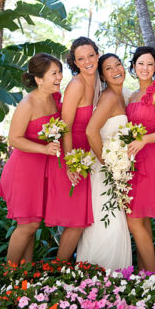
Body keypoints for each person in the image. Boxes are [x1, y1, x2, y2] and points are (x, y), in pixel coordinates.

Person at [0, 53, 63, 265]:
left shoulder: (54, 99)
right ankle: (5, 276)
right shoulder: (27, 104)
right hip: (24, 171)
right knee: (28, 225)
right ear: (39, 79)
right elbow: (14, 139)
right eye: (54, 73)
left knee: (33, 224)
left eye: (60, 72)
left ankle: (23, 276)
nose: (59, 77)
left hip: (41, 172)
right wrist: (44, 149)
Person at [79, 53, 133, 271]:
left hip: (116, 169)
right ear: (102, 76)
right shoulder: (110, 97)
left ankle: (110, 282)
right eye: (108, 69)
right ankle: (100, 277)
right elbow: (91, 131)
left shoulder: (124, 96)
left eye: (117, 65)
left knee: (115, 223)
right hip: (105, 169)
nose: (115, 70)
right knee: (108, 224)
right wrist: (106, 163)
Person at [50, 37, 99, 261]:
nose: (87, 61)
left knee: (80, 219)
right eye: (81, 58)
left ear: (97, 55)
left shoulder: (97, 81)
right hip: (73, 156)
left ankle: (65, 270)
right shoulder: (77, 85)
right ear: (75, 62)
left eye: (90, 55)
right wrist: (71, 163)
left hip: (87, 156)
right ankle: (58, 271)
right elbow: (65, 128)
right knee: (76, 221)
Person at [124, 47, 155, 272]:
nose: (145, 68)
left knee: (133, 219)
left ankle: (151, 277)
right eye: (141, 63)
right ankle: (144, 273)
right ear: (133, 66)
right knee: (140, 219)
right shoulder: (132, 96)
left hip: (151, 159)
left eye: (150, 64)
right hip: (132, 161)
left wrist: (143, 141)